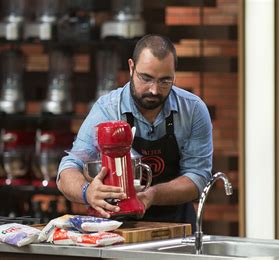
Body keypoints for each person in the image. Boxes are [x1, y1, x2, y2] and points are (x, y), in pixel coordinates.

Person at [56, 34, 213, 230]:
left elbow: (198, 177)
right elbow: (67, 171)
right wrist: (87, 192)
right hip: (119, 229)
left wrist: (152, 195)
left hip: (177, 228)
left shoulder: (193, 110)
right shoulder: (108, 109)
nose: (154, 90)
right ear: (131, 67)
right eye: (146, 78)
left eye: (165, 81)